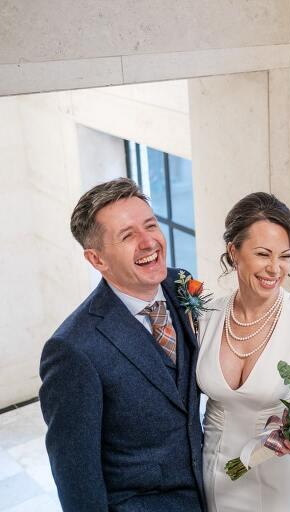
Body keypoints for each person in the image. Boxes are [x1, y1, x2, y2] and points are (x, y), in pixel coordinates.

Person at [39, 178, 206, 511]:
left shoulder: (181, 285)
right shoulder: (72, 350)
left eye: (150, 226)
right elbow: (76, 478)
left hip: (207, 493)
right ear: (97, 259)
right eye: (128, 235)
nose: (149, 243)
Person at [196, 192, 290, 512]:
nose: (275, 268)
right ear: (234, 252)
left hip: (275, 485)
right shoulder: (205, 317)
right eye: (263, 254)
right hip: (214, 474)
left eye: (285, 256)